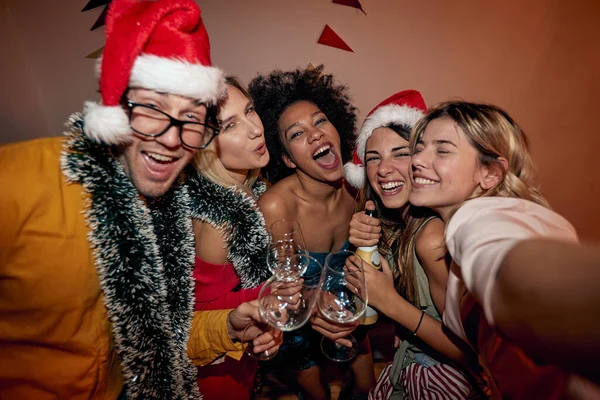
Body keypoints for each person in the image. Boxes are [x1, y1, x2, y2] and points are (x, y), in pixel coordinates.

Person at [0, 0, 279, 398]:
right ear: (116, 106)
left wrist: (228, 326)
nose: (171, 138)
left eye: (191, 118)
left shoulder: (167, 206)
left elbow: (162, 342)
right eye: (153, 108)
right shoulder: (22, 182)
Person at [407, 101, 600, 398]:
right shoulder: (475, 222)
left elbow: (506, 265)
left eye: (442, 149)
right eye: (419, 148)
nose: (418, 160)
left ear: (490, 174)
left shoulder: (480, 216)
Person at [344, 90, 483, 399]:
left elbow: (473, 353)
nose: (383, 169)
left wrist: (389, 302)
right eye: (373, 158)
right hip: (411, 366)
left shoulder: (430, 238)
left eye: (400, 153)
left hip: (446, 381)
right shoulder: (400, 227)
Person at [249, 65, 376, 400]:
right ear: (288, 160)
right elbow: (272, 287)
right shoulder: (276, 207)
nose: (316, 134)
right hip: (296, 319)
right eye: (296, 133)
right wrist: (312, 299)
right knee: (317, 394)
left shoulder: (356, 190)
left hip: (347, 310)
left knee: (366, 387)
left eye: (320, 121)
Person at [189, 76, 272, 399]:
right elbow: (200, 311)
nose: (255, 129)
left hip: (243, 356)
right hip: (216, 375)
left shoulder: (251, 189)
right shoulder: (218, 219)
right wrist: (273, 293)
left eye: (250, 111)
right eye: (230, 126)